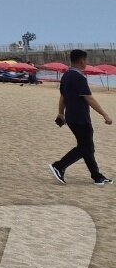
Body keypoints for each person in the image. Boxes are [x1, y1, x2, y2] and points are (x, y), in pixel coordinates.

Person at [50, 49, 113, 185]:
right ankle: (59, 166)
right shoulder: (78, 77)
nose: (87, 63)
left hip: (71, 118)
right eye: (86, 60)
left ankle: (97, 177)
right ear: (82, 61)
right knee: (85, 148)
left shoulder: (66, 76)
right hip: (80, 118)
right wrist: (105, 114)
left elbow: (63, 97)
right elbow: (89, 98)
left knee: (87, 147)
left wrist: (61, 113)